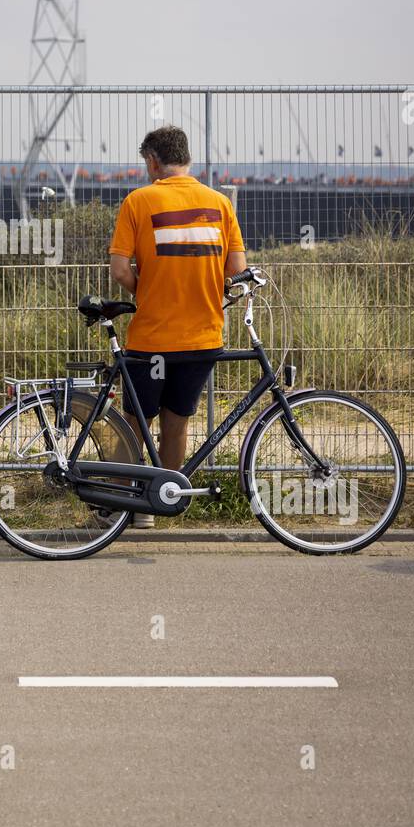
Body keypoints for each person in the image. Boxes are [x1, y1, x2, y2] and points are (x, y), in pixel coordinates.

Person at [108, 125, 247, 528]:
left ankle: (118, 502)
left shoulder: (139, 201)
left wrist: (146, 291)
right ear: (186, 157)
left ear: (153, 161)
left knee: (134, 421)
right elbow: (237, 272)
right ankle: (158, 505)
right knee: (177, 420)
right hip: (203, 336)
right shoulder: (220, 204)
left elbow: (119, 270)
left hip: (152, 335)